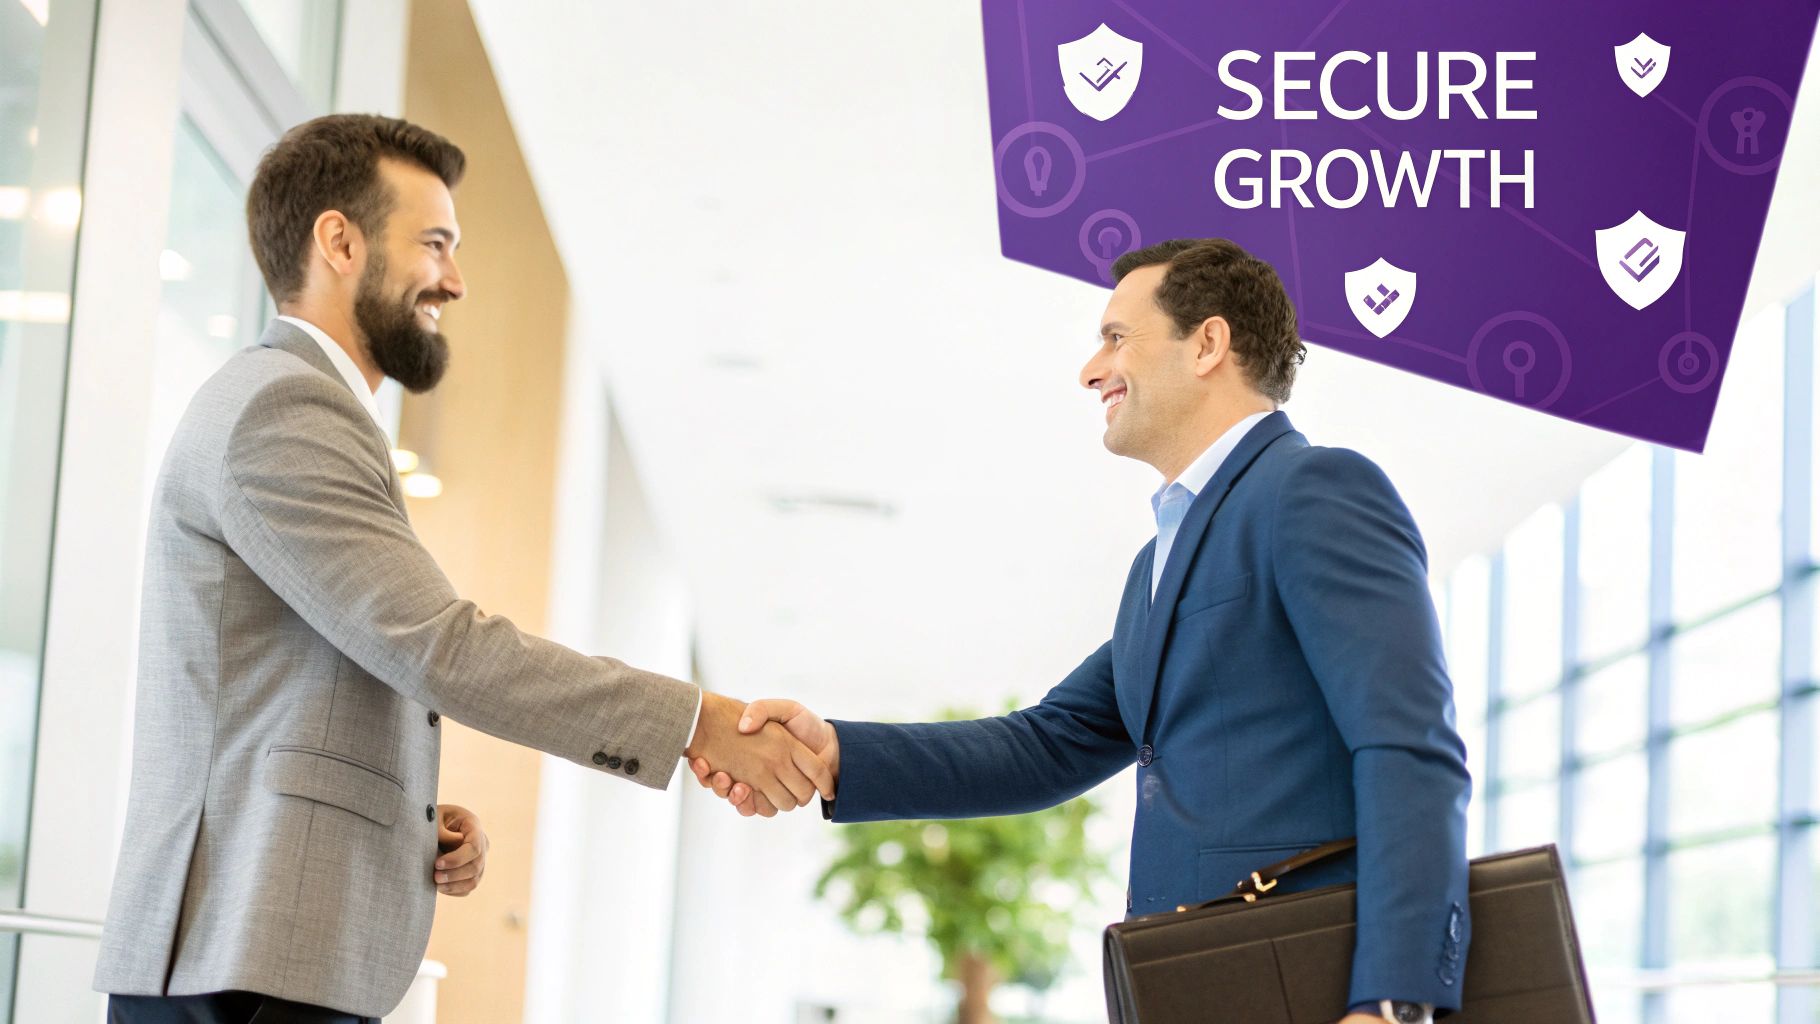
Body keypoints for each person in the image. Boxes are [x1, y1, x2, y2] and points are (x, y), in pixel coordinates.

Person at [95, 114, 831, 1024]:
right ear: (340, 241)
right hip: (244, 955)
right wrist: (695, 721)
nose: (455, 278)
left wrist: (409, 821)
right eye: (434, 243)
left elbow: (309, 684)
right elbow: (439, 647)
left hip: (263, 949)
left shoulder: (295, 406)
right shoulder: (282, 409)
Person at [695, 239, 1472, 1024]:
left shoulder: (1313, 490)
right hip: (1188, 987)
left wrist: (1392, 1002)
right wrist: (835, 752)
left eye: (1116, 337)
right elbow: (1050, 743)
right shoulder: (1156, 567)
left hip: (1307, 989)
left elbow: (1409, 746)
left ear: (1207, 343)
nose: (1091, 369)